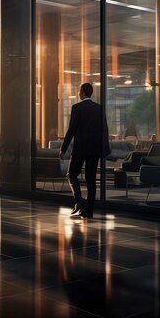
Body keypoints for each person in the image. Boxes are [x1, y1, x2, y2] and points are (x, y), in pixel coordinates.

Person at [59, 83, 110, 218]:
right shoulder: (99, 109)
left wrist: (63, 148)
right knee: (91, 180)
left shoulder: (77, 108)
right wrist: (104, 150)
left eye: (79, 91)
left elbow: (71, 130)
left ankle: (79, 201)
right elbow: (104, 130)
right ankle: (89, 211)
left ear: (82, 92)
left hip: (80, 149)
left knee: (72, 174)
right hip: (94, 150)